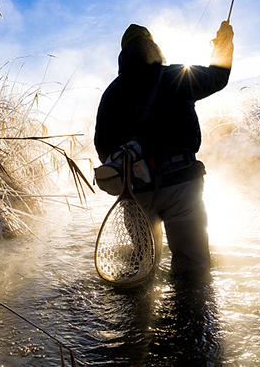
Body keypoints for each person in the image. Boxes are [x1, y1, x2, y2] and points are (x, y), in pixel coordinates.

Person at [94, 21, 234, 275]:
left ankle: (139, 311)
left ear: (124, 54)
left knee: (143, 268)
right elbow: (218, 76)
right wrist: (223, 43)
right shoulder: (177, 76)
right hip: (183, 186)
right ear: (154, 48)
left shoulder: (113, 92)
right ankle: (192, 311)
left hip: (138, 191)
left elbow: (102, 147)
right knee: (193, 269)